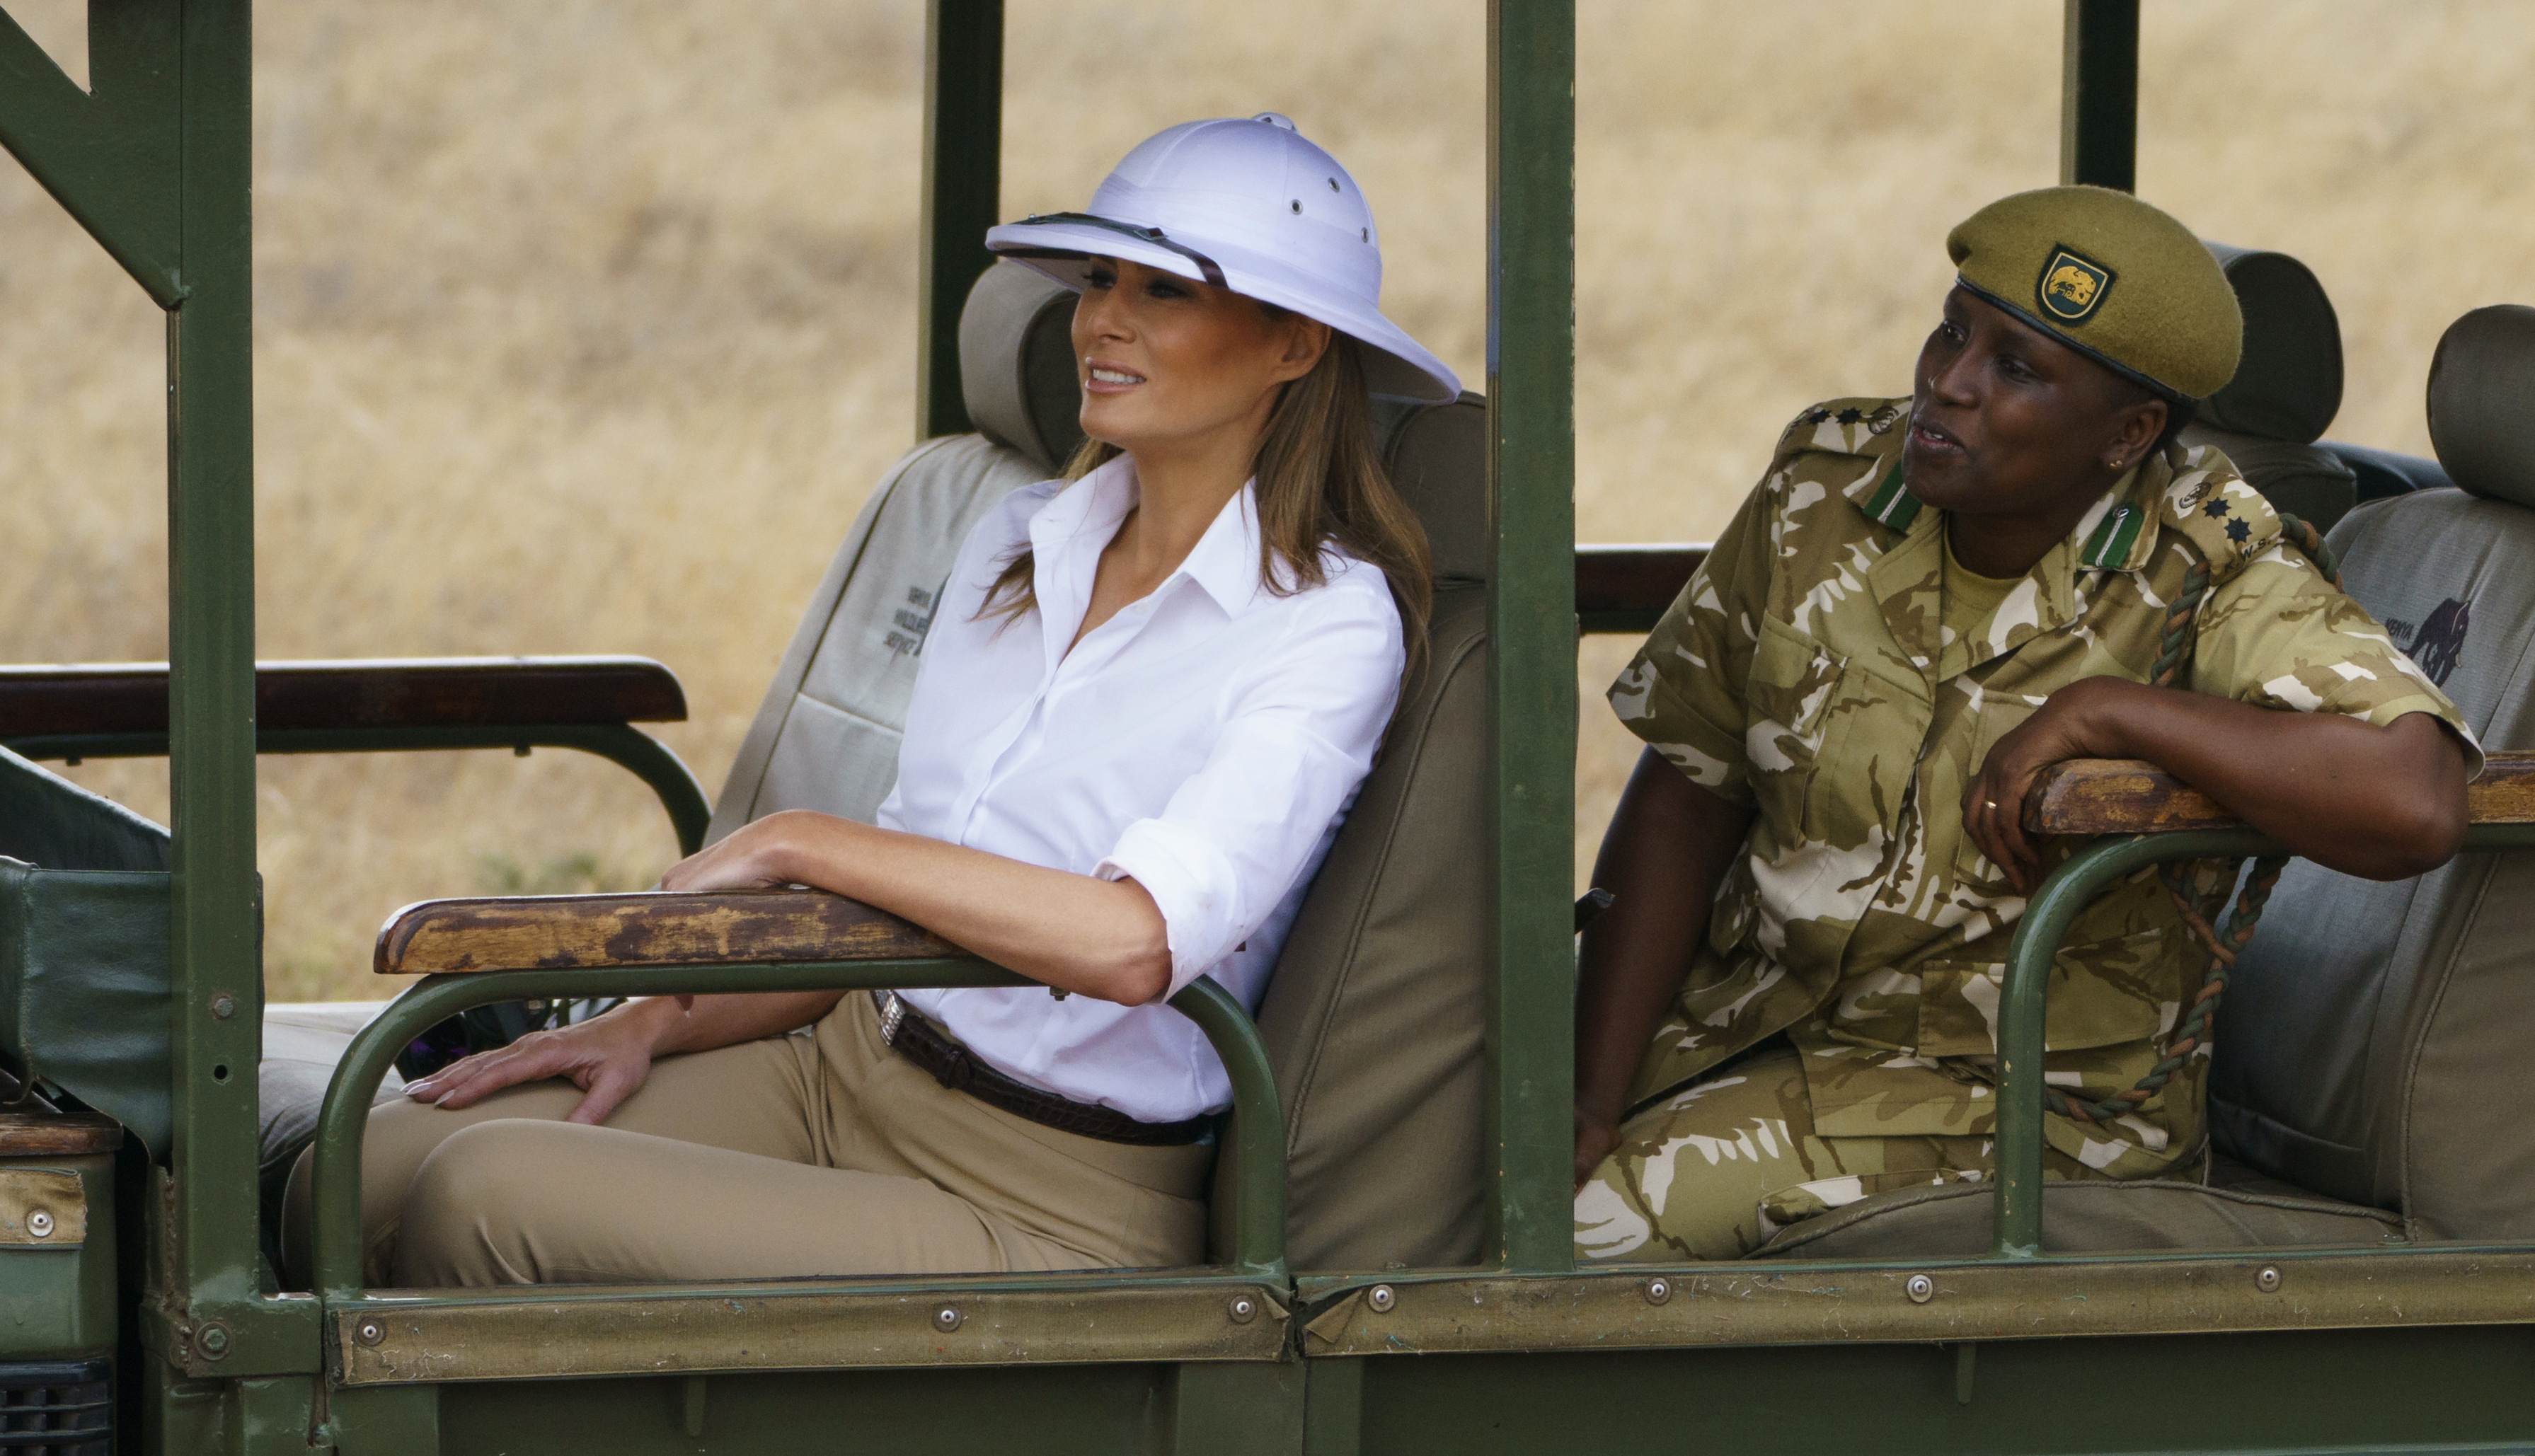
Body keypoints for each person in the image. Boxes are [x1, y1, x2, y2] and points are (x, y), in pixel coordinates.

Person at [284, 112, 1459, 1286]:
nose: (1101, 320)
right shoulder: (1019, 540)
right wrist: (660, 1019)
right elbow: (909, 898)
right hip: (846, 1058)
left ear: (1293, 346)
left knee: (486, 1198)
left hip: (1049, 1188)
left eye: (1162, 292)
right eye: (1098, 278)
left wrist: (804, 840)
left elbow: (1134, 943)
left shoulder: (1321, 623)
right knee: (349, 1175)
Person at [1570, 185, 2478, 1263]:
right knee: (1451, 1156)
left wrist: (2112, 709)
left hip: (2021, 1103)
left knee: (1575, 1233)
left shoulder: (2206, 561)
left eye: (2014, 368)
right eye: (1952, 331)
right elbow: (1687, 792)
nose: (1946, 385)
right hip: (1751, 1024)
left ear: (2127, 434)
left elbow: (2412, 798)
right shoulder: (1823, 490)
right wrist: (1587, 1090)